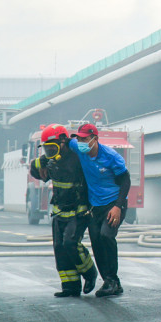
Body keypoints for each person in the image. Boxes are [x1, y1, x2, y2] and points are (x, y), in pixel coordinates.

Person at [29, 124, 99, 297]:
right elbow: (35, 170)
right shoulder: (50, 160)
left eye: (52, 148)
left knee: (70, 243)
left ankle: (90, 273)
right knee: (60, 248)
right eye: (47, 149)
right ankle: (70, 286)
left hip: (78, 210)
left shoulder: (78, 156)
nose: (50, 153)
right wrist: (40, 163)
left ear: (63, 141)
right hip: (59, 210)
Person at [71, 123, 130, 297]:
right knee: (96, 242)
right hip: (94, 206)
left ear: (95, 139)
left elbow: (125, 181)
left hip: (114, 204)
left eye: (84, 138)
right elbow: (64, 142)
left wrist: (118, 207)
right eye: (79, 138)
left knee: (106, 235)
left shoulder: (111, 157)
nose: (80, 141)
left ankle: (113, 280)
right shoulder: (78, 148)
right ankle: (109, 282)